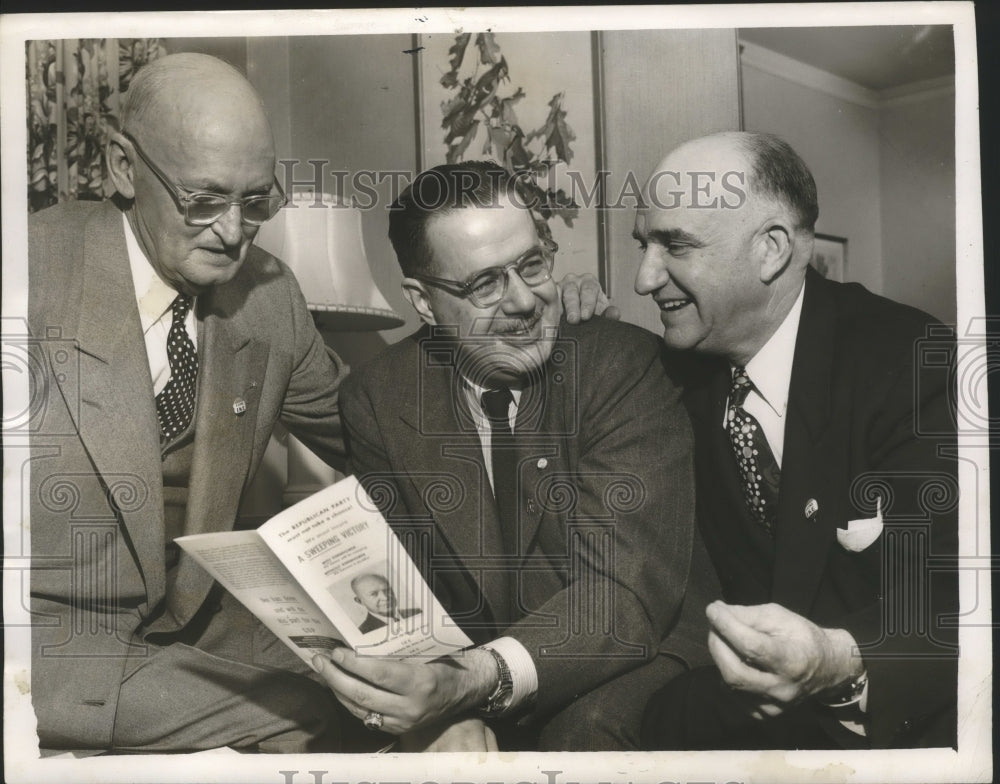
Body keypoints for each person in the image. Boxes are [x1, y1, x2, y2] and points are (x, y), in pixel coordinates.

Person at [26, 53, 608, 754]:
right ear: (124, 166)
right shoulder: (27, 272)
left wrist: (529, 341)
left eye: (257, 201)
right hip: (49, 644)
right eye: (204, 200)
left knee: (420, 704)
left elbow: (378, 430)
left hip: (194, 631)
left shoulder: (267, 296)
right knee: (349, 720)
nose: (234, 231)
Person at [317, 161, 705, 752]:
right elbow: (404, 588)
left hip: (636, 648)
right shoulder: (378, 397)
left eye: (531, 263)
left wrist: (468, 685)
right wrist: (440, 710)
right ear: (423, 302)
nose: (524, 301)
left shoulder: (623, 366)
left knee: (580, 738)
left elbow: (622, 598)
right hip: (477, 666)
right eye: (484, 285)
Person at [632, 132, 958, 749]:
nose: (645, 277)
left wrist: (839, 659)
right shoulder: (680, 372)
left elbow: (962, 599)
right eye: (643, 245)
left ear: (771, 250)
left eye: (675, 245)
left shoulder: (914, 363)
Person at [350, 573, 421, 633]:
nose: (385, 597)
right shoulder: (364, 632)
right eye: (373, 594)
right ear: (359, 601)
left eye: (387, 590)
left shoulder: (418, 612)